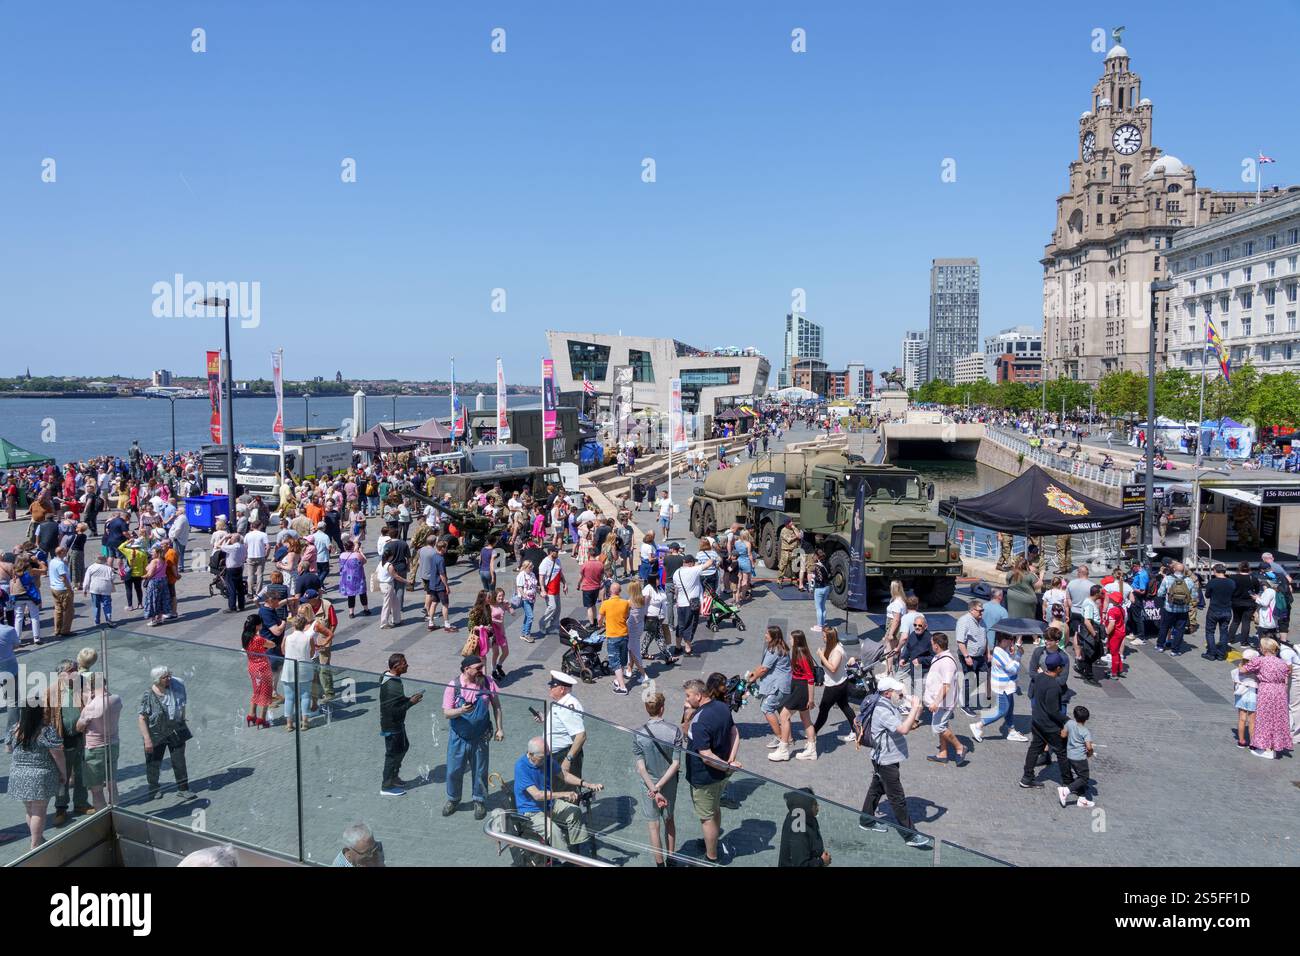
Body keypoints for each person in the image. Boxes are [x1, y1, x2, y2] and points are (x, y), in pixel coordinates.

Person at [856, 675, 932, 849]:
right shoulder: (883, 710)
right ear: (888, 693)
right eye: (897, 691)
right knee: (897, 797)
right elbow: (904, 729)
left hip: (884, 757)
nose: (900, 693)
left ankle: (866, 820)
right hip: (885, 760)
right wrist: (914, 707)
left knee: (877, 788)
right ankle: (910, 835)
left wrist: (910, 702)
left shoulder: (888, 704)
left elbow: (908, 722)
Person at [681, 675, 740, 865]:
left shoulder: (699, 721)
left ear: (698, 696)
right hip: (721, 775)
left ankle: (711, 857)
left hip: (704, 778)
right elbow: (734, 732)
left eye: (688, 696)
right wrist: (730, 760)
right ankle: (711, 844)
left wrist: (727, 764)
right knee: (714, 810)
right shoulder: (722, 707)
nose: (686, 700)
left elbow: (705, 756)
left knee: (706, 818)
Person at [513, 736, 603, 856]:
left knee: (575, 812)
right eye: (542, 758)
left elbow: (564, 775)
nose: (545, 760)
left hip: (550, 805)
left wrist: (587, 784)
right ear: (530, 754)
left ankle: (577, 851)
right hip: (532, 811)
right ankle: (564, 860)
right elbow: (537, 795)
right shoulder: (521, 767)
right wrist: (564, 794)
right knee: (554, 831)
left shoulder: (547, 759)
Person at [442, 655, 504, 820]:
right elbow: (447, 713)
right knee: (454, 771)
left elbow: (497, 706)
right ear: (466, 669)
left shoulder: (488, 682)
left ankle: (479, 800)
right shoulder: (453, 686)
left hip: (480, 736)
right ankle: (453, 799)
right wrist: (461, 711)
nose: (481, 671)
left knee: (480, 771)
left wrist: (499, 729)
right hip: (459, 737)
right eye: (477, 668)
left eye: (481, 667)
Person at [4, 699, 68, 848]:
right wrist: (64, 773)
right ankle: (36, 843)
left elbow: (8, 749)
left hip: (18, 775)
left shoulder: (15, 729)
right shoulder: (46, 730)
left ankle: (37, 838)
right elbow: (57, 754)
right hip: (40, 776)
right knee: (39, 811)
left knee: (30, 811)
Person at [632, 691, 682, 867]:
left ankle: (659, 864)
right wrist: (660, 786)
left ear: (647, 709)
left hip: (648, 785)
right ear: (662, 709)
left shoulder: (638, 733)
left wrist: (653, 787)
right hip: (668, 783)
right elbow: (675, 764)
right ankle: (672, 859)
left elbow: (641, 767)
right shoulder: (675, 731)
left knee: (653, 826)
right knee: (669, 820)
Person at [138, 665, 195, 800]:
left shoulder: (176, 687)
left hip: (175, 731)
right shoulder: (148, 695)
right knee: (154, 762)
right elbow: (142, 718)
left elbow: (182, 705)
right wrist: (147, 739)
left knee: (179, 761)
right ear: (157, 680)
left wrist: (182, 719)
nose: (169, 678)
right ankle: (153, 788)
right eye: (165, 677)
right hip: (156, 733)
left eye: (170, 675)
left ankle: (183, 788)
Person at [1019, 652, 1074, 790]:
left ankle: (1027, 777)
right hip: (1049, 726)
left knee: (1034, 748)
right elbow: (1053, 711)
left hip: (1037, 720)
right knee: (1062, 752)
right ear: (1059, 668)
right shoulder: (1054, 687)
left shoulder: (1039, 677)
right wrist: (1068, 720)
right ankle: (1068, 782)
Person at [769, 629, 817, 762]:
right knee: (805, 718)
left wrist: (811, 699)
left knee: (784, 715)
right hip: (798, 687)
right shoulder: (801, 652)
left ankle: (784, 749)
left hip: (800, 689)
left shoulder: (801, 655)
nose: (789, 640)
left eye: (791, 638)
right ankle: (811, 749)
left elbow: (810, 678)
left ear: (796, 640)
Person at [379, 653, 423, 796]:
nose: (407, 665)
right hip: (392, 725)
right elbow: (394, 710)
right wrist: (410, 703)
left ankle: (394, 776)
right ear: (396, 666)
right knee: (392, 754)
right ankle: (386, 786)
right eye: (404, 663)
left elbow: (396, 702)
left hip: (397, 724)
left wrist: (408, 699)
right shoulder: (391, 686)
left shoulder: (393, 679)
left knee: (404, 747)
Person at [1239, 638, 1291, 758]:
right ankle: (1275, 746)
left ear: (1264, 649)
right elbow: (1286, 675)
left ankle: (1267, 749)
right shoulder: (1281, 662)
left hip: (1267, 690)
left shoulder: (1260, 661)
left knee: (1265, 719)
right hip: (1280, 691)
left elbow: (1243, 670)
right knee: (1277, 719)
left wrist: (1241, 664)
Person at [77, 672, 122, 810]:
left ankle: (101, 815)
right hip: (113, 744)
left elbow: (79, 727)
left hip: (94, 749)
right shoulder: (116, 699)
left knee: (96, 788)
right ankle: (116, 811)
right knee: (111, 782)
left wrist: (88, 704)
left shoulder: (90, 707)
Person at [971, 631, 1026, 743]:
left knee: (1010, 708)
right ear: (1004, 640)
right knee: (1002, 710)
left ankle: (1011, 731)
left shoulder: (1002, 650)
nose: (1012, 642)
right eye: (1010, 640)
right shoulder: (998, 651)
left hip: (1007, 685)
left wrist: (1014, 652)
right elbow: (1012, 668)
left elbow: (1009, 662)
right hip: (1003, 686)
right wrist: (1018, 655)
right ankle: (978, 725)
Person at [923, 633, 967, 765]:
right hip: (939, 701)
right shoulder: (939, 657)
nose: (931, 646)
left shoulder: (947, 662)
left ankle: (960, 747)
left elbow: (946, 686)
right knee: (942, 725)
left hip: (943, 702)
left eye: (932, 644)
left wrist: (936, 702)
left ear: (936, 646)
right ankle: (943, 753)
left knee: (939, 727)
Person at [811, 626, 856, 744]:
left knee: (824, 709)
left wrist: (821, 655)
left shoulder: (836, 650)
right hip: (839, 682)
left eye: (824, 636)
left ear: (830, 638)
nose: (823, 638)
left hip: (835, 686)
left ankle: (813, 732)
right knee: (844, 706)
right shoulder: (833, 647)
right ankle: (856, 730)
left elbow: (833, 668)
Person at [543, 670, 587, 777]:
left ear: (562, 689)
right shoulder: (562, 702)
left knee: (565, 791)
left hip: (562, 756)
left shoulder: (568, 706)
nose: (550, 688)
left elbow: (581, 735)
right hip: (555, 754)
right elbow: (562, 724)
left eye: (553, 686)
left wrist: (568, 760)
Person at [778, 787, 830, 868]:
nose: (818, 807)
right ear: (806, 807)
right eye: (815, 804)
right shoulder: (799, 832)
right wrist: (822, 861)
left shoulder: (806, 817)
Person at [241, 612, 275, 728]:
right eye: (260, 624)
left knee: (256, 691)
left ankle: (251, 715)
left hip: (252, 667)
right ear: (257, 626)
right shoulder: (258, 639)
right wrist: (262, 640)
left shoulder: (245, 636)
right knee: (266, 692)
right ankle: (262, 718)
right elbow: (272, 644)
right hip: (263, 668)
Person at [1155, 561, 1198, 655]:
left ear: (1174, 569)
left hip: (1169, 608)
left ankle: (1160, 646)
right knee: (1180, 630)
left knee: (1164, 627)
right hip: (1183, 610)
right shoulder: (1189, 580)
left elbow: (1160, 593)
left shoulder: (1167, 579)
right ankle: (1175, 650)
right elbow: (1194, 596)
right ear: (1183, 571)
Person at [1058, 705, 1096, 808]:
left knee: (1079, 776)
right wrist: (1091, 752)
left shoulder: (1069, 723)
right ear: (1086, 719)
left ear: (1074, 716)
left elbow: (1063, 735)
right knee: (1084, 778)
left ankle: (1082, 799)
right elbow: (1088, 747)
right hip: (1080, 758)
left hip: (1070, 755)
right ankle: (1065, 791)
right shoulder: (1085, 731)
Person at [598, 581, 631, 695]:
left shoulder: (605, 604)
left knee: (615, 662)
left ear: (610, 591)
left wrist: (601, 624)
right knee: (622, 660)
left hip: (613, 636)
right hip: (624, 634)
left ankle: (622, 687)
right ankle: (618, 680)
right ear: (620, 591)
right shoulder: (625, 603)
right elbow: (626, 615)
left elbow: (599, 619)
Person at [955, 600, 988, 712]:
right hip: (969, 656)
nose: (982, 613)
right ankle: (965, 704)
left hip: (980, 656)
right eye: (980, 611)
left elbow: (985, 638)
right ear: (972, 610)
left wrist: (987, 653)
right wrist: (966, 656)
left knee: (983, 675)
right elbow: (960, 641)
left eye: (983, 610)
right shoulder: (964, 621)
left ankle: (964, 693)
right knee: (970, 679)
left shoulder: (981, 621)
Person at [672, 552, 704, 656]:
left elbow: (676, 589)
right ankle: (688, 648)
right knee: (690, 625)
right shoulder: (692, 570)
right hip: (691, 604)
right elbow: (709, 563)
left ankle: (677, 647)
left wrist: (676, 600)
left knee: (680, 625)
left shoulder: (677, 572)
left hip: (680, 603)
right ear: (690, 563)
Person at [1232, 649, 1259, 750]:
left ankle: (1241, 741)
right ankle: (1252, 742)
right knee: (1252, 720)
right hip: (1253, 695)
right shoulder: (1256, 670)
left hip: (1241, 695)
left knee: (1242, 719)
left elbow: (1234, 683)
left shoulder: (1239, 668)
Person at [338, 536, 370, 619]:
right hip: (358, 577)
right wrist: (361, 552)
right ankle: (366, 609)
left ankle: (351, 612)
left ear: (345, 547)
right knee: (362, 593)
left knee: (350, 595)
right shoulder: (357, 555)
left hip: (347, 579)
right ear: (352, 546)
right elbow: (364, 561)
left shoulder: (342, 555)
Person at [538, 545, 566, 636]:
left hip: (556, 588)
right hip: (549, 589)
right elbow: (541, 577)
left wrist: (565, 584)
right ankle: (542, 624)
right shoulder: (545, 563)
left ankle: (554, 626)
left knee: (558, 609)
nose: (557, 553)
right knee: (552, 607)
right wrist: (542, 590)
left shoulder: (557, 560)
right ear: (550, 552)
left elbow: (560, 573)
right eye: (556, 551)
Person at [515, 558, 538, 644]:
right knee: (530, 616)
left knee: (527, 616)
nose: (532, 568)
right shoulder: (521, 575)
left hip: (532, 598)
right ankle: (527, 634)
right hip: (525, 599)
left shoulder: (532, 574)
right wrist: (525, 596)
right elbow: (519, 587)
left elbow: (535, 586)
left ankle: (523, 633)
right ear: (525, 567)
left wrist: (540, 592)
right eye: (530, 567)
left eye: (532, 566)